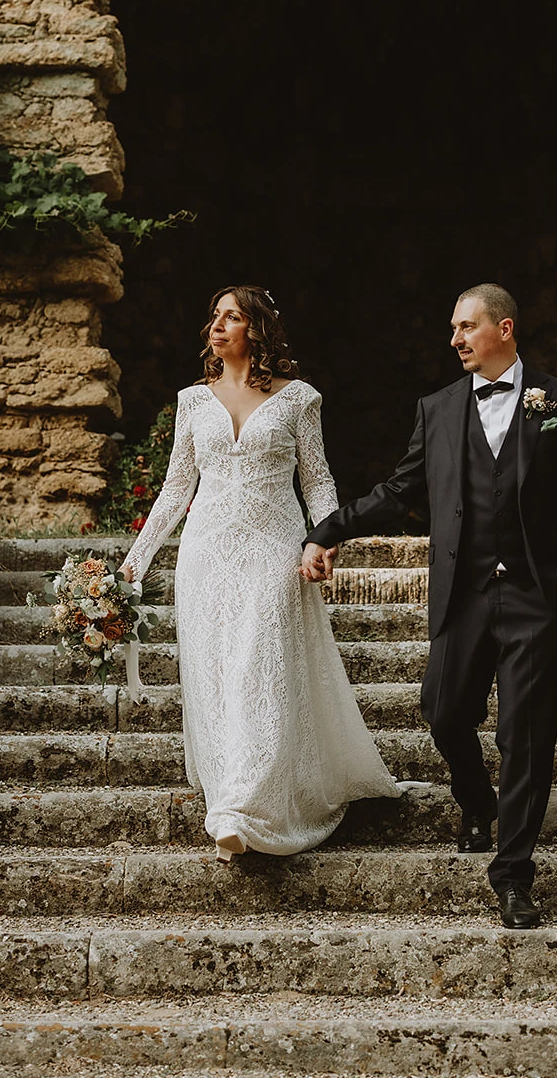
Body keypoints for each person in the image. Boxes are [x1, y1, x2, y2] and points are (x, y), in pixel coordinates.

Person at [301, 282, 557, 928]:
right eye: (452, 328)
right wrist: (329, 529)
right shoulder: (437, 410)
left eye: (466, 326)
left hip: (537, 595)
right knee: (443, 713)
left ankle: (513, 875)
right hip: (463, 591)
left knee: (525, 738)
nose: (455, 339)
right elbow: (399, 490)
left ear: (504, 328)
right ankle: (475, 799)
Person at [119, 284, 398, 863]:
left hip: (274, 550)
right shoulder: (192, 401)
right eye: (215, 317)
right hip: (206, 554)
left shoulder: (299, 399)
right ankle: (228, 792)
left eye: (232, 317)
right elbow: (176, 488)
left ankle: (242, 808)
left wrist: (325, 538)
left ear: (258, 328)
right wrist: (136, 560)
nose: (217, 326)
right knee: (217, 674)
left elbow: (317, 479)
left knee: (258, 668)